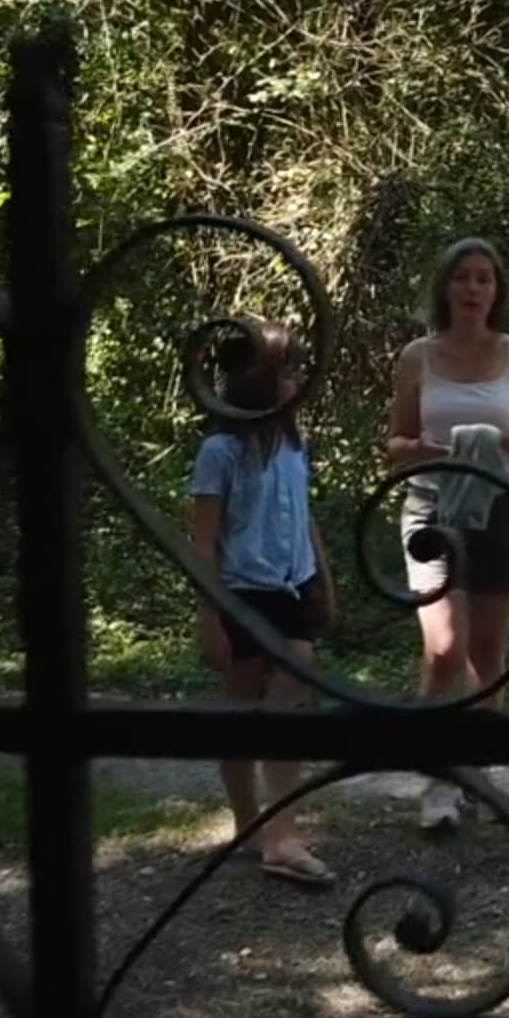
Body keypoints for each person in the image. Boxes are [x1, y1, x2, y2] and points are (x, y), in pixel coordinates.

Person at [386, 237, 509, 831]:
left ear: (497, 291)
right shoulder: (417, 356)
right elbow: (394, 444)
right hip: (432, 508)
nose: (472, 290)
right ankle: (438, 783)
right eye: (462, 278)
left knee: (487, 655)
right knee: (443, 651)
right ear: (445, 288)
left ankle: (476, 772)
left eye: (484, 279)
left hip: (503, 509)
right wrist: (430, 450)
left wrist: (497, 441)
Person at [191, 320, 336, 888]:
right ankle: (250, 826)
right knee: (243, 711)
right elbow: (202, 539)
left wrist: (323, 576)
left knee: (293, 685)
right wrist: (210, 616)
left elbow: (304, 514)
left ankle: (281, 835)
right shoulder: (220, 451)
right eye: (288, 370)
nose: (298, 379)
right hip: (242, 593)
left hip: (291, 587)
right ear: (258, 381)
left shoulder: (294, 443)